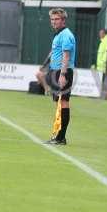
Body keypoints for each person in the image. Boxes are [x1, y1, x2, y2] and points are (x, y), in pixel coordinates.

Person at [44, 8, 76, 145]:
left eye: (56, 19)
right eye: (52, 19)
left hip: (63, 72)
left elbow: (66, 56)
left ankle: (61, 137)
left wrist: (62, 75)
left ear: (63, 20)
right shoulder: (58, 34)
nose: (53, 22)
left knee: (63, 103)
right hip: (55, 71)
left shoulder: (66, 35)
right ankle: (58, 134)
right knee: (59, 103)